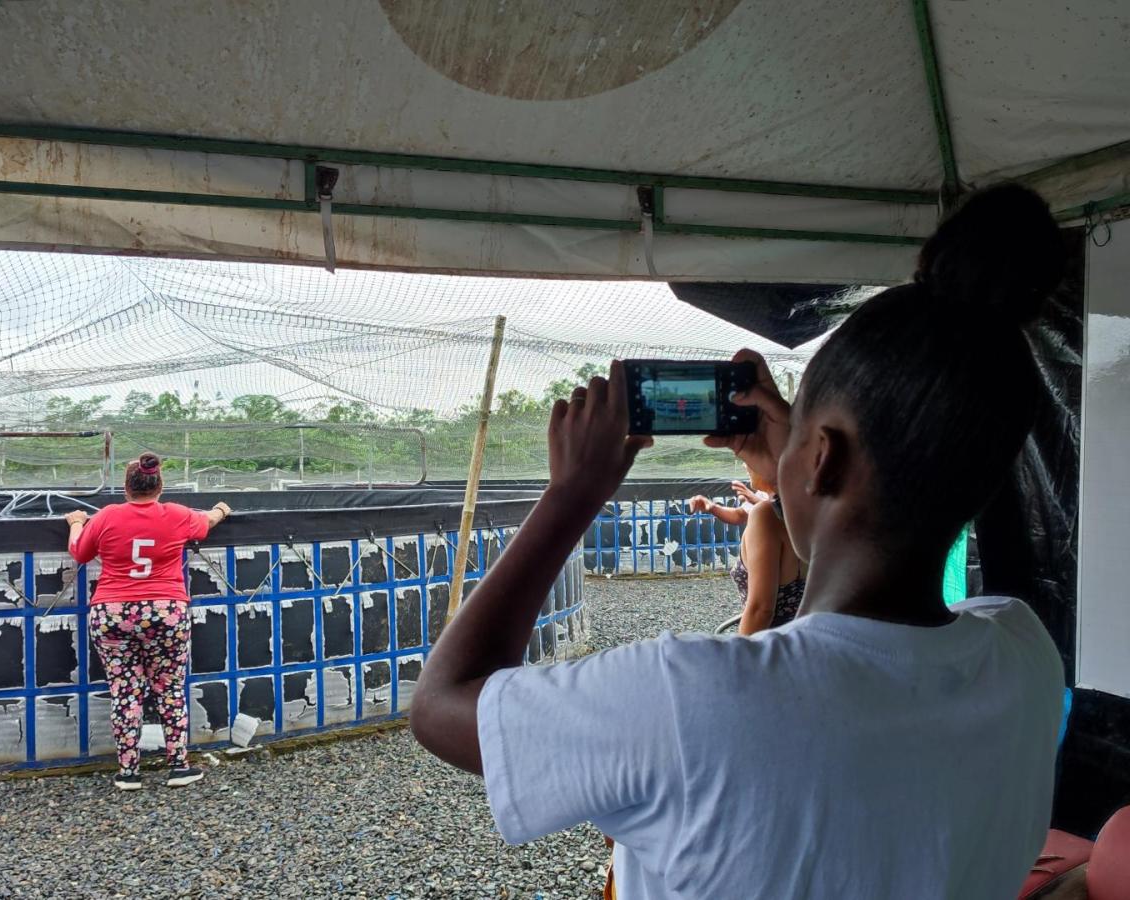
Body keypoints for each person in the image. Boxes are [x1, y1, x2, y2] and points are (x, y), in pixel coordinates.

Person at [409, 184, 1066, 898]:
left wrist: (572, 494)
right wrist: (804, 471)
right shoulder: (1025, 658)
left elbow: (442, 702)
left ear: (822, 458)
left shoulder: (696, 702)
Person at [65, 452, 231, 791]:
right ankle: (179, 767)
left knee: (125, 692)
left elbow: (79, 552)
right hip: (165, 611)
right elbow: (207, 523)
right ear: (160, 485)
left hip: (112, 612)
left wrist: (76, 522)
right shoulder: (176, 515)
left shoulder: (107, 516)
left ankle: (128, 772)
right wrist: (221, 510)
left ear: (126, 488)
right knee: (169, 688)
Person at [689, 468, 805, 633]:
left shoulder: (765, 513)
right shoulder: (811, 507)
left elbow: (761, 610)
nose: (745, 465)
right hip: (803, 635)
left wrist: (740, 653)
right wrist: (712, 507)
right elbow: (740, 514)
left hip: (771, 641)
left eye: (750, 456)